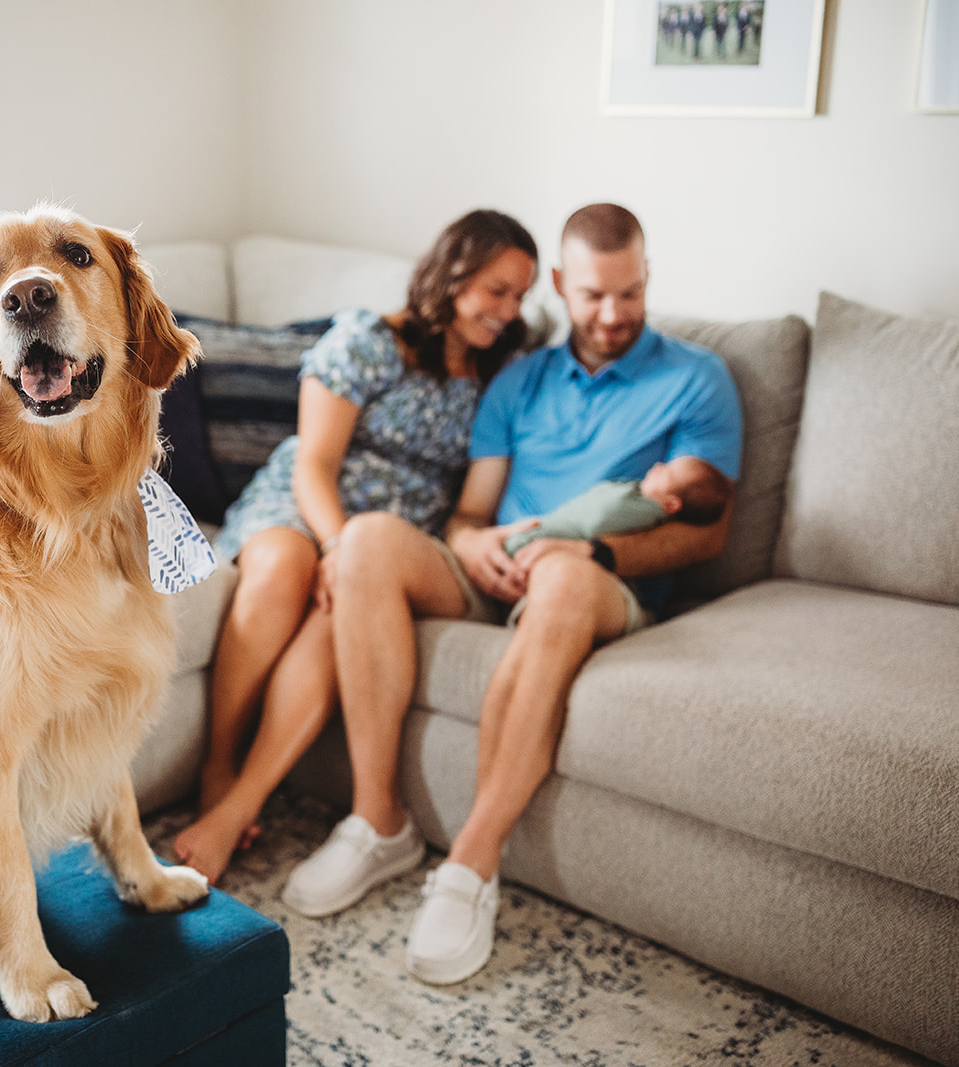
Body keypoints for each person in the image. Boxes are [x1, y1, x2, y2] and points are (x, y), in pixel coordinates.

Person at [284, 203, 741, 988]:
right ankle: (377, 819)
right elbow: (467, 512)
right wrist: (475, 544)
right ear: (561, 285)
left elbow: (709, 534)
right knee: (364, 540)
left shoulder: (698, 380)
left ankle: (470, 865)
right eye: (594, 295)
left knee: (562, 577)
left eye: (630, 293)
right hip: (497, 573)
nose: (613, 313)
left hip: (600, 581)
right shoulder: (519, 378)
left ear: (646, 279)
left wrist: (590, 547)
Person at [171, 209, 540, 885]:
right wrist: (336, 543)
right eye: (496, 289)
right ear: (454, 273)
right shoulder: (372, 338)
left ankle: (240, 805)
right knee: (284, 568)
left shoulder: (499, 375)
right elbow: (315, 460)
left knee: (336, 613)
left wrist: (355, 557)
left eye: (521, 295)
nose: (508, 310)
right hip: (309, 501)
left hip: (389, 541)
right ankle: (217, 764)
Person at [500, 455, 731, 558]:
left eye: (666, 471)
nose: (659, 465)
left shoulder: (647, 512)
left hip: (553, 538)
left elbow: (598, 519)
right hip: (543, 526)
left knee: (521, 546)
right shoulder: (636, 493)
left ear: (671, 504)